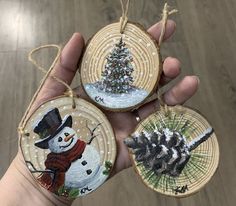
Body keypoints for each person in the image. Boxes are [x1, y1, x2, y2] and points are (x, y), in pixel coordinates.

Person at [0, 20, 199, 206]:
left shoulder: (81, 146)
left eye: (65, 133)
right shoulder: (54, 164)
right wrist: (32, 187)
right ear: (51, 146)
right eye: (59, 139)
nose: (67, 137)